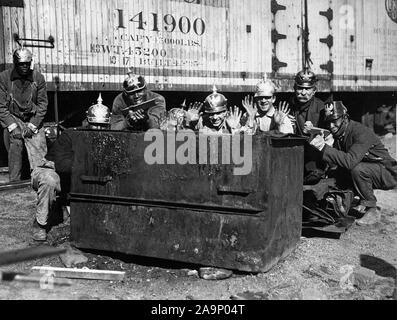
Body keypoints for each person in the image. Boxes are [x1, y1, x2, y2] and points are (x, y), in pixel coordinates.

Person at [30, 95, 111, 241]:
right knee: (50, 180)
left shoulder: (107, 140)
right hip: (49, 171)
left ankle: (62, 204)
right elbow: (63, 165)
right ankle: (40, 224)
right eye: (95, 125)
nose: (99, 129)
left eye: (103, 126)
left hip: (73, 178)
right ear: (87, 122)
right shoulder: (70, 135)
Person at [310, 101, 397, 226]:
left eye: (335, 120)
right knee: (336, 172)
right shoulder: (342, 133)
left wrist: (324, 147)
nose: (331, 125)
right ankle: (350, 202)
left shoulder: (359, 131)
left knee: (357, 169)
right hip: (370, 169)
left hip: (388, 173)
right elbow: (338, 162)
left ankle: (372, 208)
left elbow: (350, 162)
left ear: (345, 118)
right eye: (328, 121)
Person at [0, 47, 48, 181]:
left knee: (39, 150)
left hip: (32, 117)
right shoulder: (4, 78)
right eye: (21, 64)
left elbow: (42, 105)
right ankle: (15, 183)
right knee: (16, 143)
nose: (24, 66)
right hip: (13, 117)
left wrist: (33, 126)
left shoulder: (38, 78)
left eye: (27, 63)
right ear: (15, 63)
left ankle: (41, 181)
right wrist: (13, 126)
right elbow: (1, 107)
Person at [282, 69, 328, 184]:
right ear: (294, 89)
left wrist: (313, 131)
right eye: (300, 88)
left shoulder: (321, 108)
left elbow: (330, 136)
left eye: (307, 89)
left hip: (315, 155)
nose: (303, 92)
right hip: (295, 152)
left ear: (314, 91)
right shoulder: (288, 106)